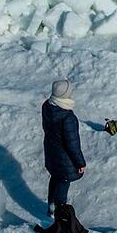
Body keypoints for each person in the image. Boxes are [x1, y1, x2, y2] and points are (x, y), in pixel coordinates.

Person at [42, 79, 86, 216]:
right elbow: (72, 143)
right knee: (63, 180)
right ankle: (58, 213)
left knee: (55, 177)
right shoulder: (67, 117)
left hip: (51, 150)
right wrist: (80, 162)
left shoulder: (47, 106)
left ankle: (51, 207)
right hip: (64, 158)